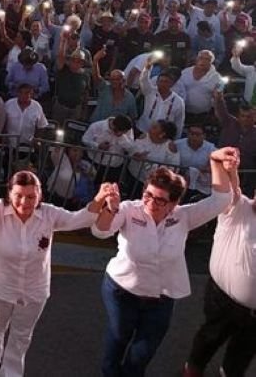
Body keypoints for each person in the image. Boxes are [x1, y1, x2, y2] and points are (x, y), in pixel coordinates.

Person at [92, 147, 240, 377]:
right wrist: (111, 208)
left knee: (143, 351)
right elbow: (100, 231)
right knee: (120, 335)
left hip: (161, 297)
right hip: (122, 290)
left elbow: (221, 200)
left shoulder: (183, 217)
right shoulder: (129, 210)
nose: (150, 202)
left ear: (174, 203)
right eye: (147, 195)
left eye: (160, 200)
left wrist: (215, 161)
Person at [0, 171, 118, 377]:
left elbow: (78, 219)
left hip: (33, 290)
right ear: (9, 194)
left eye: (31, 196)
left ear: (40, 196)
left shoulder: (49, 214)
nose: (24, 202)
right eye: (18, 195)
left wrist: (99, 199)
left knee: (22, 335)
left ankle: (11, 373)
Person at [183, 165, 256, 377]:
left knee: (244, 351)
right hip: (223, 300)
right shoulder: (239, 208)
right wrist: (225, 168)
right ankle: (192, 371)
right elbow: (229, 190)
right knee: (209, 337)